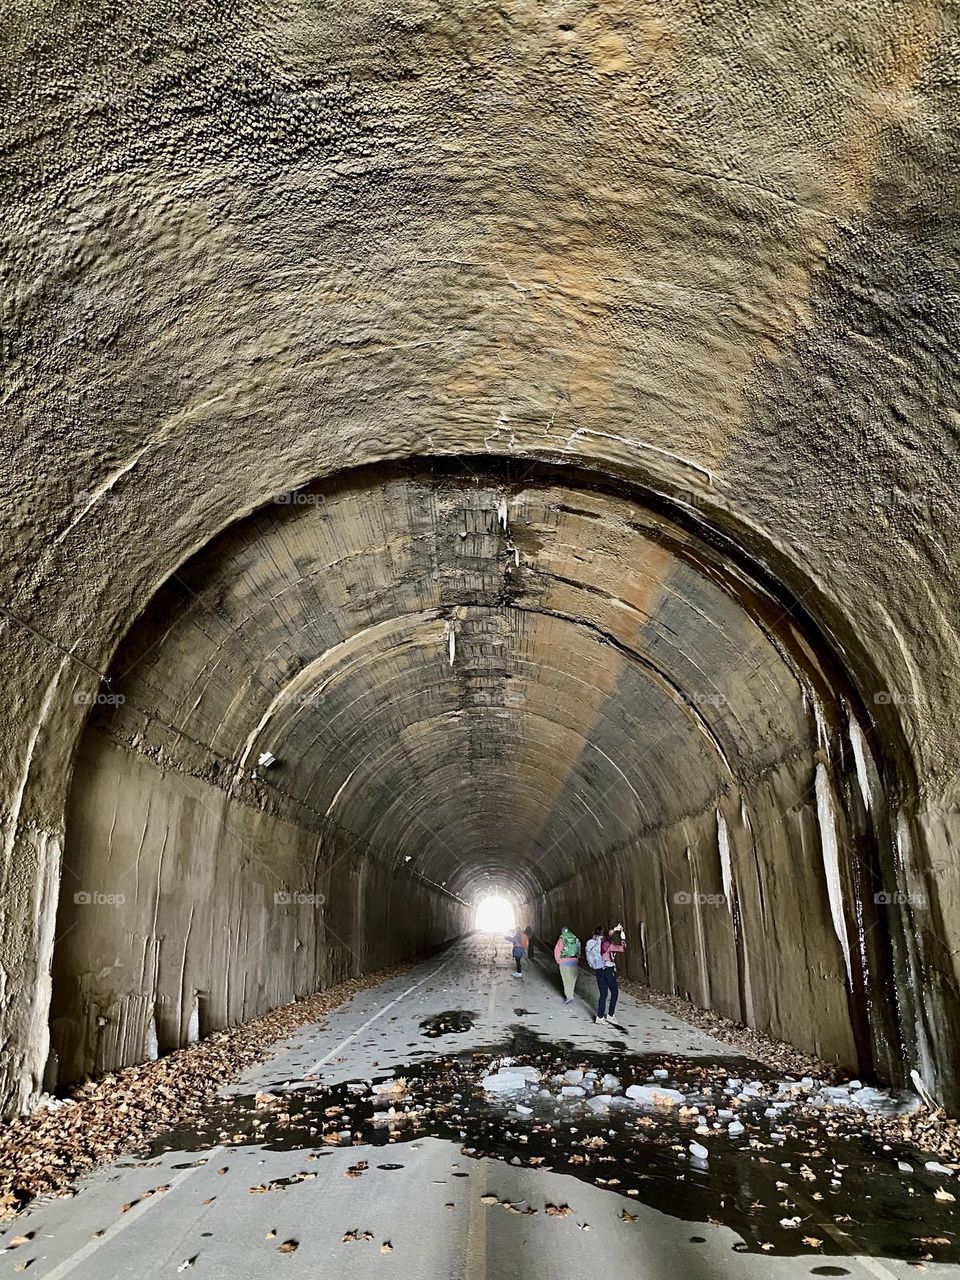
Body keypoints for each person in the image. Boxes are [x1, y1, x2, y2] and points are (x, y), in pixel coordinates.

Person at [585, 923, 625, 1023]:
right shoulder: (608, 944)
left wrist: (615, 929)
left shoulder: (592, 942)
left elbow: (607, 935)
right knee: (614, 992)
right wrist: (623, 938)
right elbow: (621, 948)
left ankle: (600, 1017)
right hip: (608, 970)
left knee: (603, 994)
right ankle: (610, 1016)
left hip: (598, 969)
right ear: (605, 934)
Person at [553, 926, 580, 1002]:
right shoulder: (575, 938)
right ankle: (571, 992)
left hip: (564, 961)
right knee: (572, 978)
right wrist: (577, 958)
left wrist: (558, 960)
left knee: (566, 979)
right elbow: (579, 948)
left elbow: (557, 950)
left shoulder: (561, 939)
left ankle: (569, 995)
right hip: (574, 960)